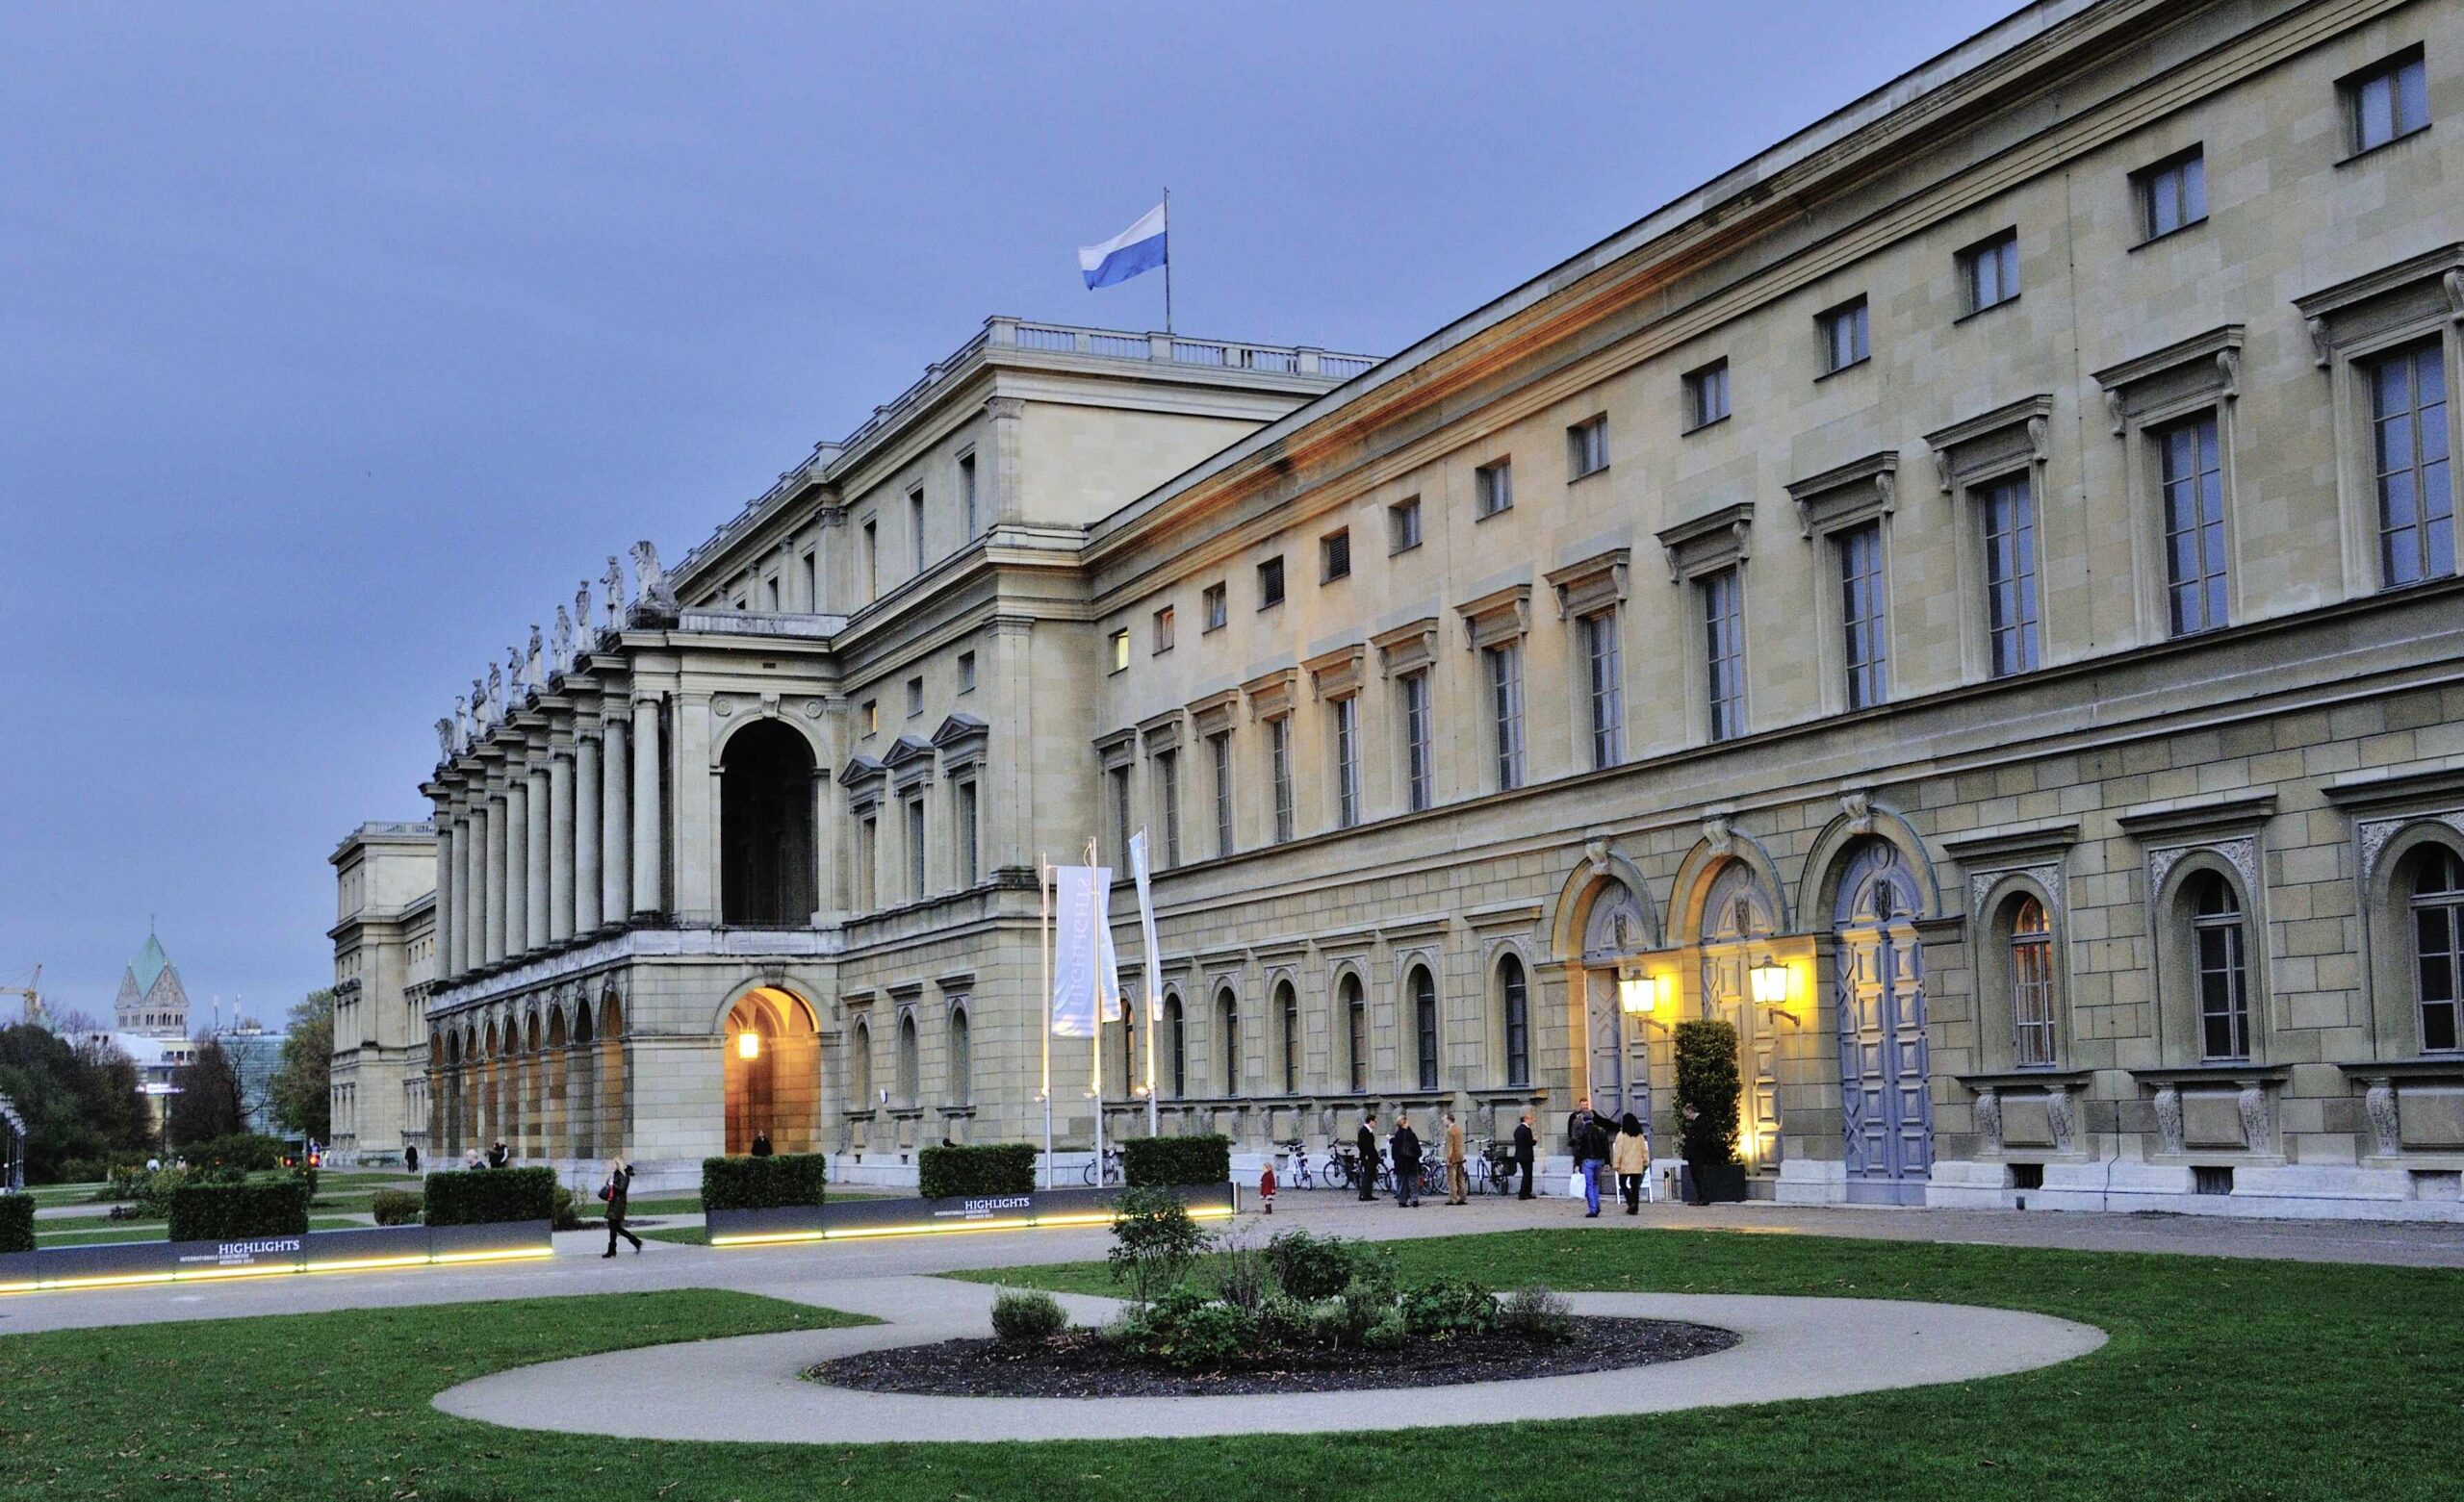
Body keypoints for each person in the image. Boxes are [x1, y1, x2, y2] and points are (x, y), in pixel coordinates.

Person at [601, 1158, 643, 1257]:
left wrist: (613, 1184)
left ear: (618, 1165)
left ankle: (633, 1242)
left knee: (614, 1227)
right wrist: (609, 1181)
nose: (611, 1166)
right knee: (614, 1227)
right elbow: (609, 1184)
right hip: (614, 1203)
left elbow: (622, 1188)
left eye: (613, 1164)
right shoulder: (616, 1174)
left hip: (619, 1204)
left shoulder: (624, 1175)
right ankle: (631, 1243)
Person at [1575, 1111, 1611, 1217]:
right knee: (1595, 1184)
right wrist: (1607, 1162)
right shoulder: (1601, 1130)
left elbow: (1579, 1149)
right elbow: (1606, 1147)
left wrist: (1577, 1164)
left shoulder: (1581, 1131)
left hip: (1587, 1161)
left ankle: (1593, 1209)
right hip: (1599, 1160)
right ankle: (1596, 1204)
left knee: (1589, 1184)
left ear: (1583, 1119)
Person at [1612, 1112, 1651, 1214]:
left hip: (1625, 1165)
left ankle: (1630, 1202)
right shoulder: (1640, 1135)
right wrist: (1645, 1161)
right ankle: (1635, 1207)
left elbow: (1618, 1151)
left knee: (1622, 1184)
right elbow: (1644, 1150)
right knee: (1635, 1187)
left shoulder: (1621, 1135)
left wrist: (1616, 1164)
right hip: (1637, 1165)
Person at [1390, 1115, 1423, 1208]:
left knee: (1401, 1182)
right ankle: (1414, 1199)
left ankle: (1402, 1200)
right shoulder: (1410, 1134)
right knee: (1413, 1182)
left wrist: (1396, 1160)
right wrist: (1417, 1156)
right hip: (1411, 1162)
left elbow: (1394, 1151)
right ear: (1405, 1122)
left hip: (1400, 1163)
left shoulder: (1397, 1135)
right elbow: (1416, 1148)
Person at [1443, 1112, 1468, 1205]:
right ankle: (1463, 1197)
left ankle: (1453, 1198)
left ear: (1449, 1120)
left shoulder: (1450, 1131)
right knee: (1460, 1178)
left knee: (1452, 1179)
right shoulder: (1458, 1129)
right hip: (1460, 1157)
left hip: (1453, 1158)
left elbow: (1449, 1147)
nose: (1443, 1122)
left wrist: (1448, 1159)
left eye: (1444, 1120)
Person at [1354, 1114, 1380, 1203]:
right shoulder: (1364, 1131)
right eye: (1375, 1122)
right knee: (1367, 1176)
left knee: (1370, 1176)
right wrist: (1365, 1155)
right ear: (1371, 1121)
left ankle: (1368, 1194)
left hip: (1371, 1156)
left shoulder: (1368, 1131)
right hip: (1368, 1157)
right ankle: (1363, 1194)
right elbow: (1361, 1145)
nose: (1376, 1124)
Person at [1512, 1113, 1537, 1200]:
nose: (1532, 1120)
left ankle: (1526, 1192)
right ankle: (1524, 1193)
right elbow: (1528, 1142)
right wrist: (1534, 1141)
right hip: (1526, 1155)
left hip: (1520, 1155)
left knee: (1526, 1174)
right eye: (1531, 1119)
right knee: (1527, 1175)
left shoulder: (1518, 1129)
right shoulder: (1526, 1129)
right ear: (1526, 1119)